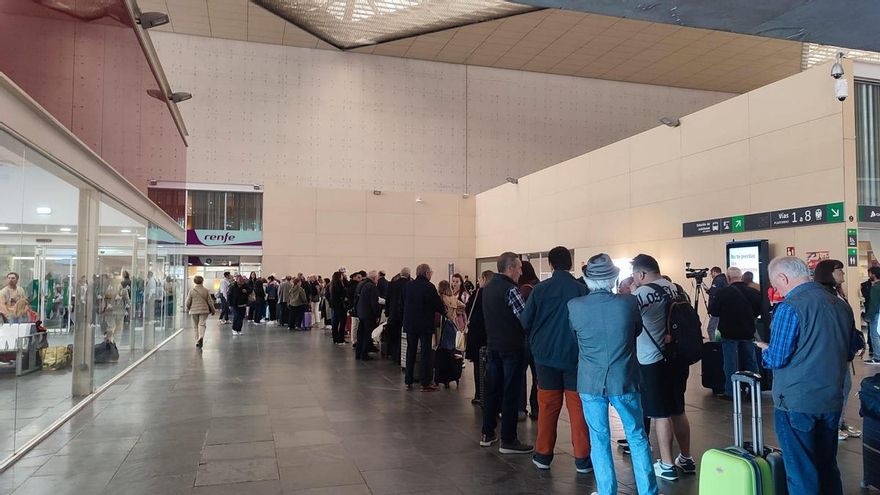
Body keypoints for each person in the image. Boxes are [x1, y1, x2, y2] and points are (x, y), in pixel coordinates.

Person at [756, 256, 851, 495]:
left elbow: (777, 359)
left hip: (796, 401)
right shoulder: (840, 304)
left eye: (776, 285)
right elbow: (849, 349)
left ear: (783, 278)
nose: (776, 290)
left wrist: (767, 351)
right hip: (831, 398)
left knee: (801, 472)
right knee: (827, 466)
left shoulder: (790, 307)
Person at [570, 254, 658, 495]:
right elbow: (637, 332)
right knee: (637, 436)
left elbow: (575, 338)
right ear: (612, 278)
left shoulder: (575, 306)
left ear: (588, 280)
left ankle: (607, 491)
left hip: (590, 381)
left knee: (598, 440)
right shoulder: (628, 303)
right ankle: (648, 491)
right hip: (624, 379)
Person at [518, 246, 591, 473]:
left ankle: (543, 455)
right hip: (575, 357)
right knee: (578, 408)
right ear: (570, 264)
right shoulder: (582, 290)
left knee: (548, 407)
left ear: (550, 264)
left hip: (545, 357)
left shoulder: (540, 290)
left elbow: (524, 321)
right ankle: (582, 459)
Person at [631, 254, 695, 481]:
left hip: (652, 360)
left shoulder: (641, 293)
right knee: (678, 409)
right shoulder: (677, 288)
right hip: (677, 358)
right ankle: (686, 458)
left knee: (660, 414)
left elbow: (629, 321)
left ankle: (667, 464)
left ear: (640, 274)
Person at [480, 252, 534, 454]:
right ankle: (509, 439)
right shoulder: (511, 290)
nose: (521, 271)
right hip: (512, 348)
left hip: (493, 346)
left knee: (492, 391)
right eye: (519, 267)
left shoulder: (487, 287)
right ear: (510, 268)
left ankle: (487, 433)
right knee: (510, 393)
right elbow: (525, 318)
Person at [814, 259, 863, 440]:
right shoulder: (823, 295)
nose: (842, 273)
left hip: (843, 350)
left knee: (846, 385)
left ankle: (839, 420)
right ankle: (832, 424)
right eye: (838, 270)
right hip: (830, 351)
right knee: (836, 387)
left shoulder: (838, 293)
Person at [707, 266, 760, 400]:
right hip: (748, 331)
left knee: (730, 362)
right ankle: (754, 390)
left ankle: (731, 391)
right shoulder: (752, 292)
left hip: (729, 332)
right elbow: (759, 310)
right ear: (741, 277)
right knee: (751, 361)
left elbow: (713, 311)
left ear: (728, 278)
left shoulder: (723, 293)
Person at [402, 263, 446, 391]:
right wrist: (445, 312)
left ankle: (408, 381)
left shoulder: (408, 286)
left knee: (411, 351)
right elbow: (437, 304)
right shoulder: (429, 287)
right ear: (427, 273)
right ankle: (425, 382)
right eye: (431, 272)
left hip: (410, 323)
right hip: (424, 325)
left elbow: (403, 303)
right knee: (426, 353)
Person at [517, 261, 541, 420]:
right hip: (539, 339)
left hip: (524, 338)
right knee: (538, 376)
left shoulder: (523, 290)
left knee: (520, 375)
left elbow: (521, 317)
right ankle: (536, 408)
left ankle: (520, 408)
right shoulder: (539, 287)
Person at [465, 271, 492, 404]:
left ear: (484, 279)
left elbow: (468, 309)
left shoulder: (477, 293)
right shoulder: (494, 293)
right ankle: (490, 394)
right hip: (490, 333)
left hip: (476, 333)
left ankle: (479, 394)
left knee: (478, 365)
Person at [385, 268, 411, 362]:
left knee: (394, 336)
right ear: (409, 275)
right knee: (403, 338)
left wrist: (387, 313)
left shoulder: (392, 284)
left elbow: (387, 300)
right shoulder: (408, 285)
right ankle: (401, 357)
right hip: (403, 314)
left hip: (393, 314)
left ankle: (394, 356)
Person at [356, 271, 382, 361]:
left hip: (361, 312)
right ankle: (364, 354)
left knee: (361, 333)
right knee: (367, 334)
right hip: (368, 314)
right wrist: (377, 314)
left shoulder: (362, 284)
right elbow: (374, 303)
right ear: (374, 278)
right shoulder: (372, 287)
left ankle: (358, 353)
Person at [186, 275, 215, 348]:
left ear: (194, 282)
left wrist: (188, 308)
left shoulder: (191, 290)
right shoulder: (205, 290)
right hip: (204, 310)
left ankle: (197, 341)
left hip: (194, 310)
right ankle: (201, 337)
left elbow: (187, 302)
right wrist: (213, 310)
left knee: (195, 326)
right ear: (202, 281)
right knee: (202, 324)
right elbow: (210, 302)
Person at [705, 266, 727, 341]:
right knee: (720, 328)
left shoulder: (717, 280)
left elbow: (714, 294)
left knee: (710, 329)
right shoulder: (724, 279)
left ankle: (713, 345)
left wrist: (712, 308)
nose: (711, 276)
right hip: (723, 308)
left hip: (717, 310)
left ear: (714, 272)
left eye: (711, 274)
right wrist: (709, 291)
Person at [862, 267, 880, 360]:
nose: (869, 276)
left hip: (876, 314)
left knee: (874, 335)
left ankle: (877, 356)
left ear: (874, 274)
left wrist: (868, 316)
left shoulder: (875, 287)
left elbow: (873, 303)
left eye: (869, 273)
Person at [330, 272, 348, 345]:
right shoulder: (339, 285)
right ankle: (340, 339)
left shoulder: (332, 285)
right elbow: (343, 293)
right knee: (342, 322)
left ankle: (335, 339)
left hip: (334, 306)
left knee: (335, 323)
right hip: (340, 306)